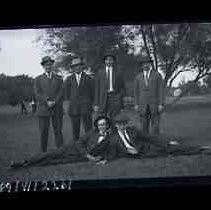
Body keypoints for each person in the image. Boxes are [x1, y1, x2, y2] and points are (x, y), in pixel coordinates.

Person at [10, 116, 112, 168]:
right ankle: (24, 162)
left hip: (77, 158)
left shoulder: (108, 139)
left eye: (103, 124)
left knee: (53, 162)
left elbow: (109, 151)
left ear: (107, 125)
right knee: (50, 154)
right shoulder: (92, 132)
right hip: (71, 149)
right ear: (97, 126)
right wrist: (88, 155)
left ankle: (28, 165)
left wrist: (103, 159)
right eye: (100, 125)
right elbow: (79, 142)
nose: (101, 126)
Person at [108, 113, 211, 160]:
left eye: (124, 124)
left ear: (127, 124)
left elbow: (150, 137)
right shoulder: (114, 138)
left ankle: (201, 148)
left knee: (172, 148)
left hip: (147, 149)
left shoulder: (133, 130)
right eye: (119, 124)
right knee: (172, 153)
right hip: (142, 155)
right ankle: (199, 149)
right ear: (116, 125)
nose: (122, 126)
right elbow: (113, 151)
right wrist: (105, 159)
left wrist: (167, 143)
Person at [34, 56, 64, 152]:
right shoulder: (38, 79)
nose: (48, 66)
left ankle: (60, 152)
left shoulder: (59, 78)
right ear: (43, 66)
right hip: (43, 108)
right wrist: (47, 101)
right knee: (44, 131)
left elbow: (61, 92)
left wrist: (55, 101)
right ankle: (43, 152)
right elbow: (37, 93)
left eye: (50, 64)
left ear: (52, 65)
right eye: (46, 65)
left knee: (58, 131)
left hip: (57, 108)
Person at [64, 55, 94, 141]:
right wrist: (68, 104)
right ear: (73, 68)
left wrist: (91, 104)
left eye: (79, 65)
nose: (77, 67)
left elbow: (92, 93)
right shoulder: (69, 79)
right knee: (75, 130)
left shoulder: (89, 78)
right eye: (75, 66)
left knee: (88, 129)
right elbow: (66, 94)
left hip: (86, 107)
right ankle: (76, 148)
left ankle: (90, 147)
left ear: (82, 66)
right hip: (74, 108)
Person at [134, 57, 164, 136]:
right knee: (144, 126)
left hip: (154, 104)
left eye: (147, 63)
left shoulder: (157, 75)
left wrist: (161, 104)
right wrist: (136, 104)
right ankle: (146, 143)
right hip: (142, 104)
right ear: (141, 65)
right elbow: (136, 92)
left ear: (150, 64)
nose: (145, 65)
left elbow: (160, 90)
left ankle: (157, 143)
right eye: (144, 64)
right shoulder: (138, 77)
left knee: (156, 126)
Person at [93, 51, 126, 123]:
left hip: (115, 97)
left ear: (113, 61)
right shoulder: (100, 72)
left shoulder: (118, 72)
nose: (109, 61)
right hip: (103, 97)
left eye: (111, 59)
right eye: (107, 59)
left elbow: (122, 87)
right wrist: (96, 104)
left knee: (115, 117)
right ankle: (104, 133)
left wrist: (119, 96)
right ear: (105, 61)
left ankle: (114, 133)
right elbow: (97, 89)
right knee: (102, 117)